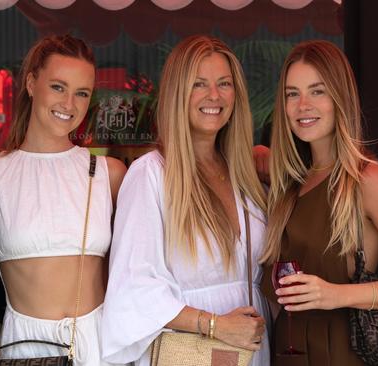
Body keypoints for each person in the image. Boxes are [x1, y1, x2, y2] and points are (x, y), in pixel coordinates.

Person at [261, 40, 378, 365]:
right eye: (293, 93)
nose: (303, 105)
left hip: (343, 352)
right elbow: (236, 157)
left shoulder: (367, 179)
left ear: (340, 98)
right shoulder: (291, 179)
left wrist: (337, 294)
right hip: (286, 351)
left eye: (317, 91)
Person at [100, 35, 270, 366]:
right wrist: (215, 325)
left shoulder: (245, 176)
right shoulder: (151, 174)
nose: (214, 96)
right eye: (199, 84)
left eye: (224, 83)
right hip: (189, 351)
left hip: (250, 348)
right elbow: (134, 286)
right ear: (178, 93)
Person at [0, 34, 127, 365]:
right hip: (25, 349)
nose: (69, 104)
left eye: (82, 93)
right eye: (58, 87)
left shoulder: (108, 173)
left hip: (100, 347)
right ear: (31, 83)